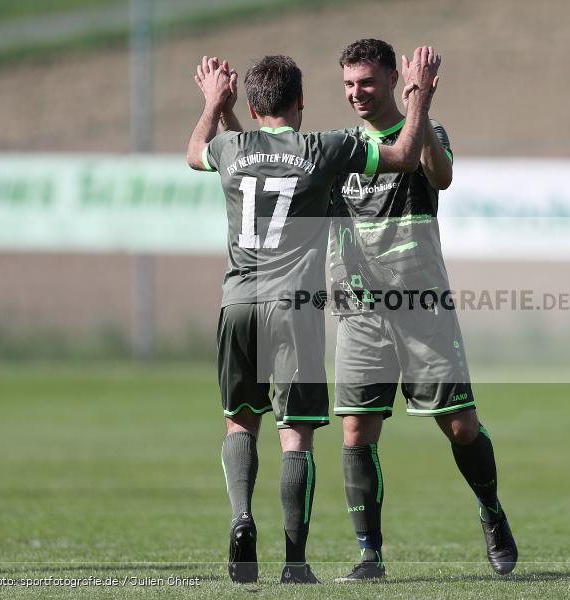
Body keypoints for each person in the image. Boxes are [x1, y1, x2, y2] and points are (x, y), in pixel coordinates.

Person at [187, 48, 441, 584]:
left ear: (251, 109)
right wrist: (418, 95)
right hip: (293, 308)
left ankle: (241, 517)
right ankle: (295, 563)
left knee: (240, 421)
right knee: (295, 435)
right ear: (301, 101)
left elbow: (194, 153)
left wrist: (213, 103)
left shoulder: (231, 147)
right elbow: (402, 156)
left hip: (237, 304)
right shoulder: (324, 148)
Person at [327, 39, 517, 582]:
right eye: (348, 84)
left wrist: (422, 106)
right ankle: (370, 556)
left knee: (460, 427)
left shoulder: (429, 130)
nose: (357, 93)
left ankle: (491, 512)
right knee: (356, 431)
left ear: (393, 79)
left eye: (366, 82)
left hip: (421, 307)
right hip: (361, 313)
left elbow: (441, 176)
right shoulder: (338, 146)